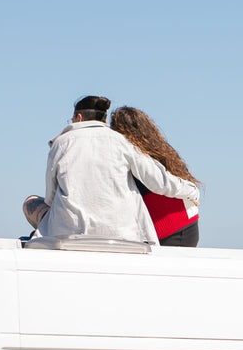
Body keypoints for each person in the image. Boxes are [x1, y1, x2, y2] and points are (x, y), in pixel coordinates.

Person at [22, 95, 198, 244]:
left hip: (70, 232)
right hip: (122, 232)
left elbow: (51, 198)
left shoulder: (61, 142)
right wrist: (191, 190)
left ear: (79, 118)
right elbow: (159, 181)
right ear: (105, 120)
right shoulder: (122, 142)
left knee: (31, 202)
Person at [109, 106, 201, 247]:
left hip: (171, 227)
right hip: (184, 225)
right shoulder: (160, 150)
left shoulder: (135, 154)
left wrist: (192, 192)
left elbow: (162, 184)